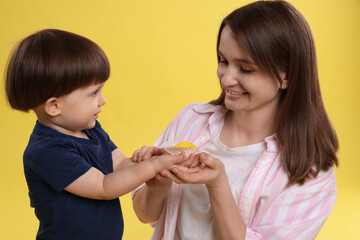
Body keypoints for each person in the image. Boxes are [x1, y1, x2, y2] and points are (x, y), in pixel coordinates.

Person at [131, 1, 339, 239]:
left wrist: (218, 184)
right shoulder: (190, 119)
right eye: (223, 61)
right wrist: (157, 186)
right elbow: (145, 213)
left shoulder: (309, 171)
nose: (227, 78)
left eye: (245, 68)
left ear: (287, 76)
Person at [4, 29, 188, 240]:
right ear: (54, 106)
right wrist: (153, 166)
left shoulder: (90, 129)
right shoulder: (47, 152)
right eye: (93, 93)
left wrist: (153, 159)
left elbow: (119, 166)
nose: (103, 100)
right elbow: (104, 186)